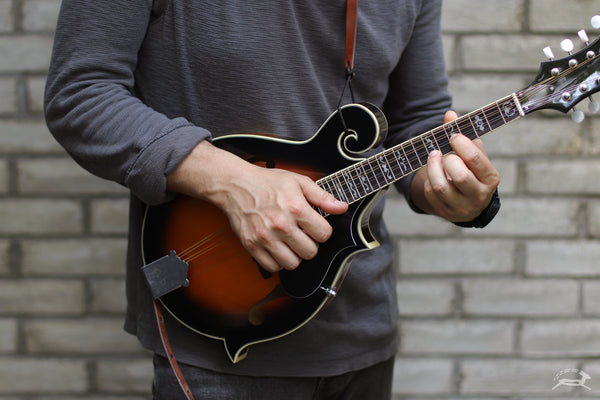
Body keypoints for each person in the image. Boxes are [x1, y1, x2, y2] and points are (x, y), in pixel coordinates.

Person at [44, 1, 500, 399]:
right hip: (216, 326)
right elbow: (82, 94)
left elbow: (416, 118)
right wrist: (233, 182)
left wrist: (451, 189)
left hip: (361, 325)